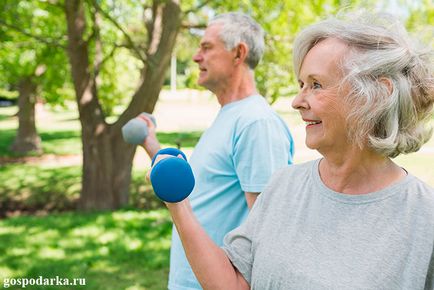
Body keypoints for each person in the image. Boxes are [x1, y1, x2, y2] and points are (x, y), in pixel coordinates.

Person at [150, 11, 434, 290]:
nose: (297, 101)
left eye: (316, 85)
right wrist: (179, 204)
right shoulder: (282, 186)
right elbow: (235, 284)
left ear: (376, 97)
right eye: (301, 85)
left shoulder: (423, 217)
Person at [140, 12, 294, 289]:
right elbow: (197, 193)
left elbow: (267, 238)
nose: (197, 57)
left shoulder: (255, 123)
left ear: (239, 54)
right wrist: (151, 144)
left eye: (206, 47)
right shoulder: (231, 115)